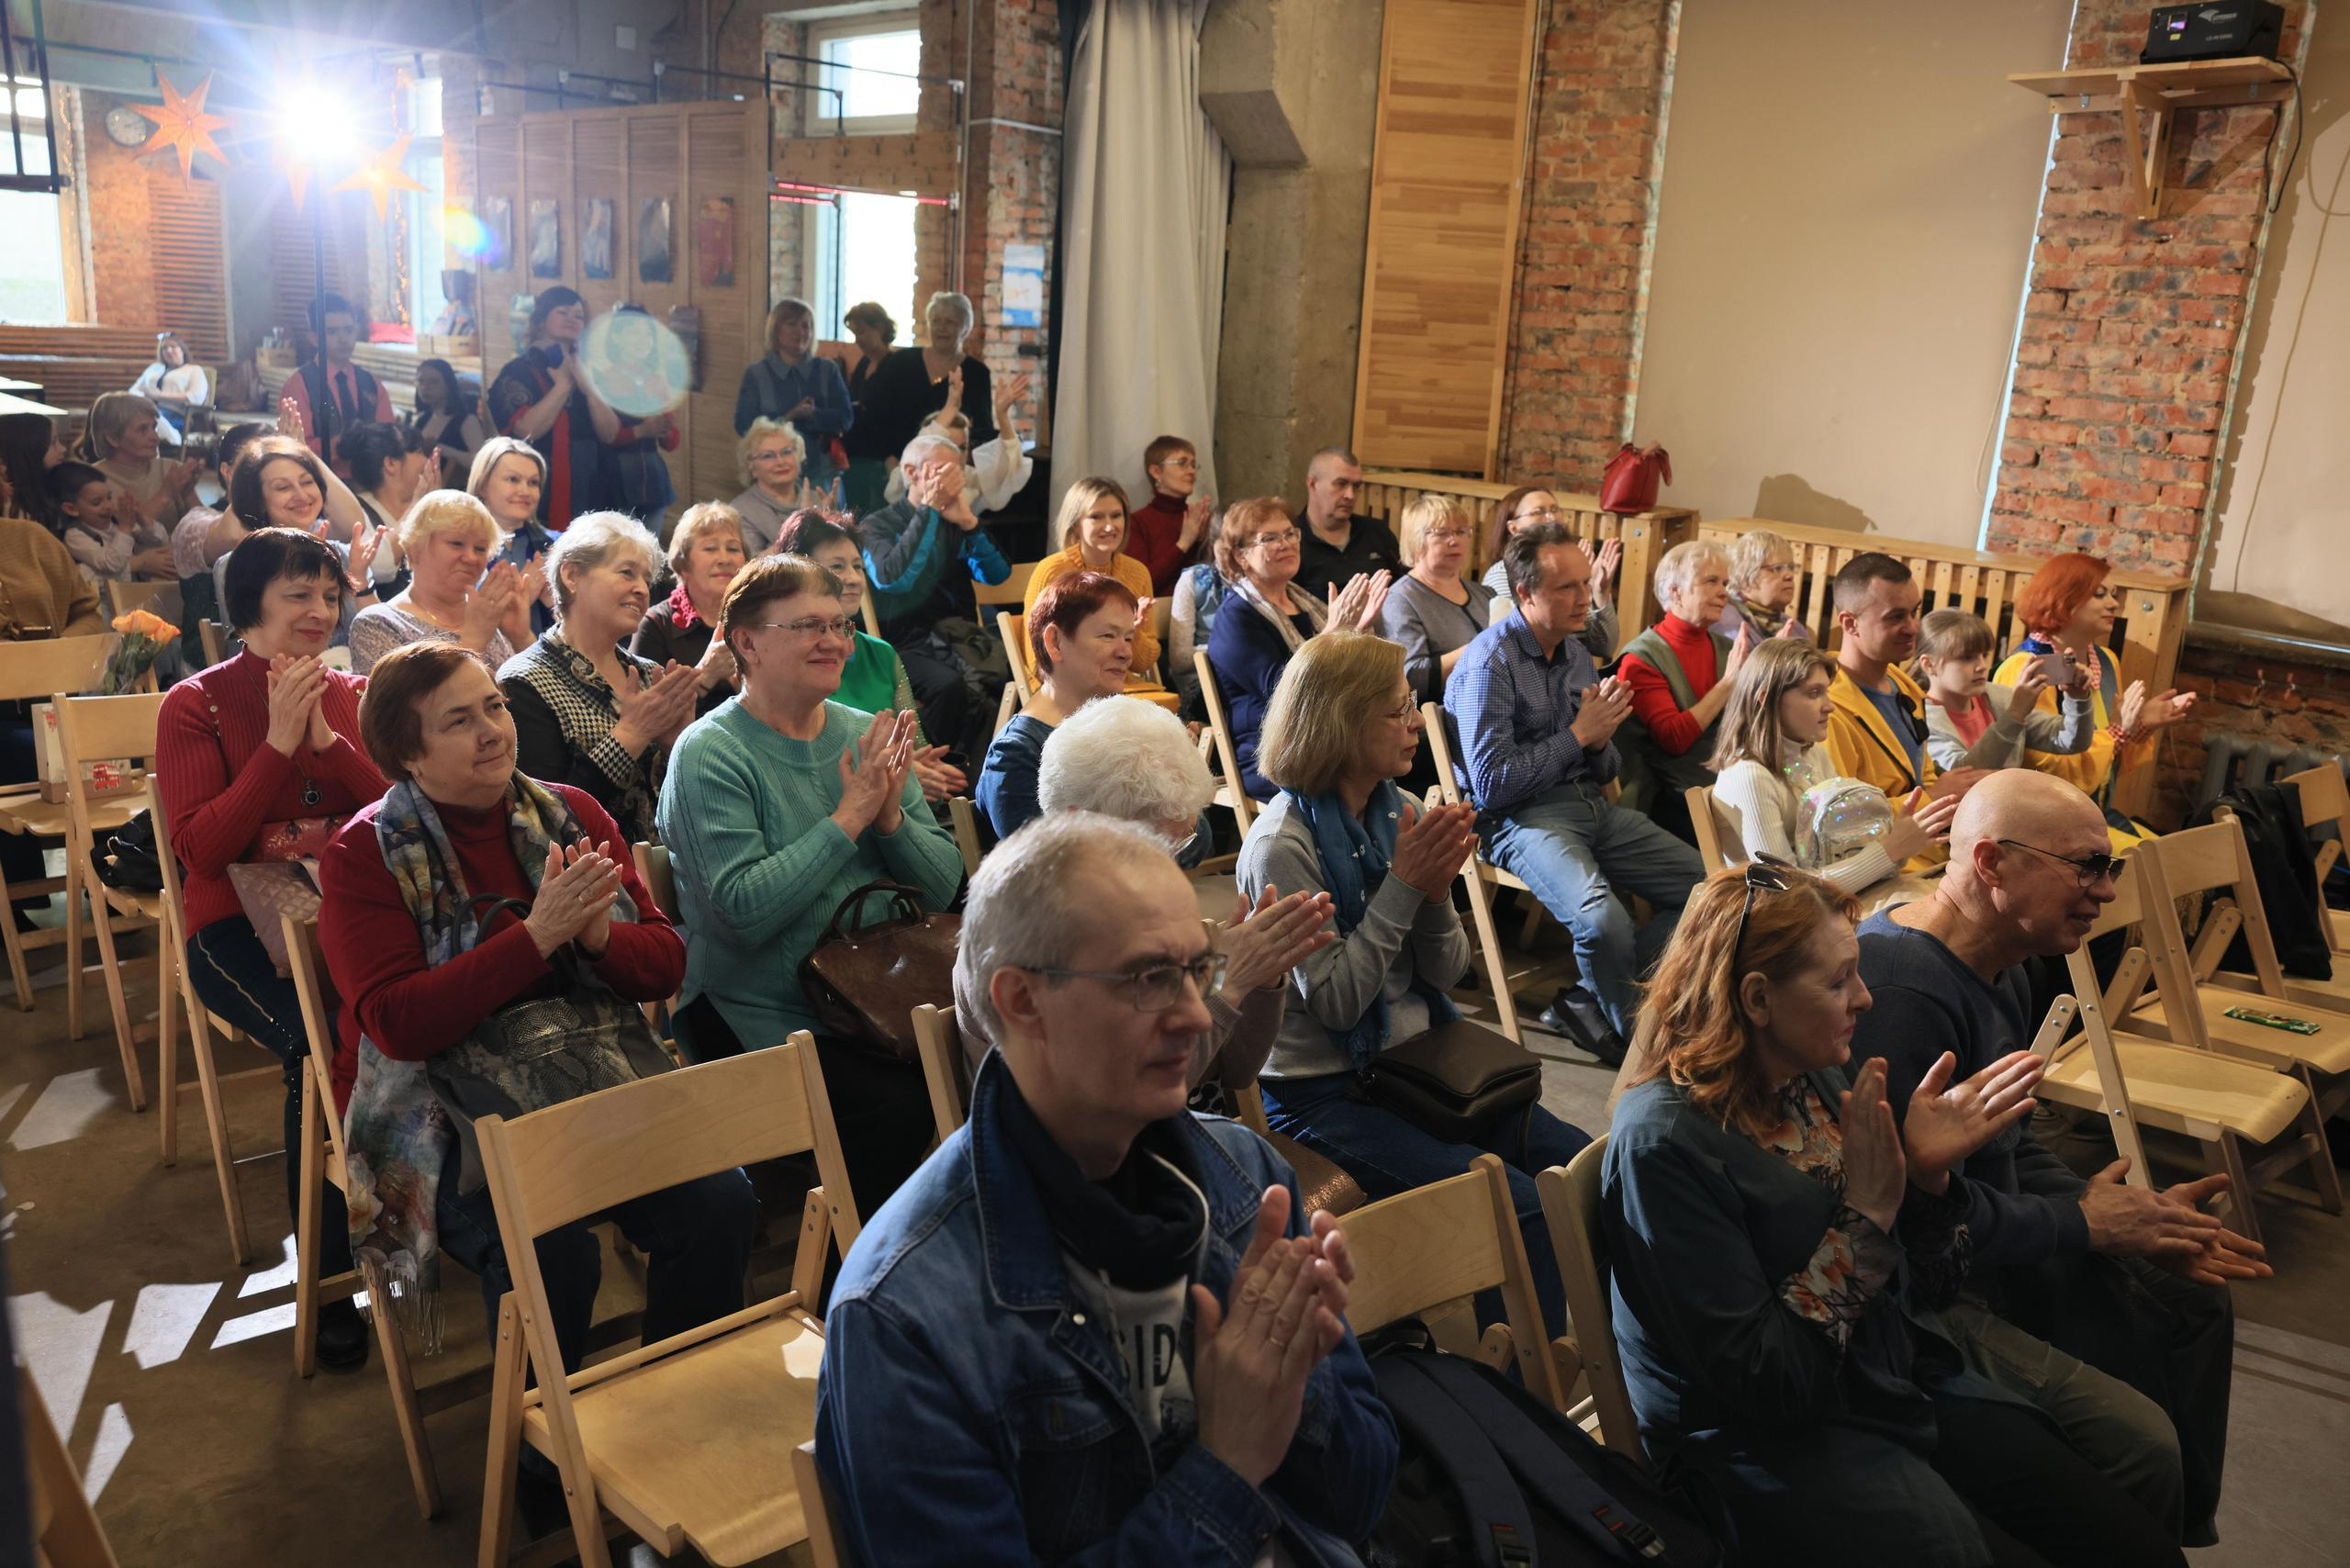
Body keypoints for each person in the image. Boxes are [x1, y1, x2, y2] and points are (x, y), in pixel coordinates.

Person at [813, 812, 1398, 1566]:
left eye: (1199, 970)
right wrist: (1226, 1466)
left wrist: (1294, 1385)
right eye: (1151, 978)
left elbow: (1363, 1498)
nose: (1195, 1015)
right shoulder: (905, 1315)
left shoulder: (1247, 1180)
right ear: (1022, 1001)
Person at [1608, 861, 2188, 1566]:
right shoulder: (1665, 1143)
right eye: (1837, 981)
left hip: (1885, 1377)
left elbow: (1931, 1289)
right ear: (1757, 999)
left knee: (2136, 1542)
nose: (1865, 999)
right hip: (1761, 1444)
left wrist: (1928, 1179)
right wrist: (1872, 1210)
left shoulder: (1817, 1073)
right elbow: (1769, 1385)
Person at [319, 642, 755, 1388]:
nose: (493, 729)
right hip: (437, 1108)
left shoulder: (568, 812)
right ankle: (539, 1462)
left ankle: (675, 1399)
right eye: (459, 721)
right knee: (551, 1250)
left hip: (584, 1068)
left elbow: (664, 959)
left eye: (494, 705)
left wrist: (597, 940)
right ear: (407, 755)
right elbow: (398, 1023)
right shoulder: (365, 852)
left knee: (721, 1203)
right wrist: (536, 939)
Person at [1850, 769, 2261, 1547]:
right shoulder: (1903, 995)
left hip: (1997, 1231)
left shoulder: (2009, 961)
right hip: (1933, 1287)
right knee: (2144, 1417)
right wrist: (2082, 1224)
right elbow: (1909, 1218)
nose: (2105, 891)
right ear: (1990, 863)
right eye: (2087, 866)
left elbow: (2010, 1139)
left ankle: (2164, 1536)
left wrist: (2115, 1211)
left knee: (2198, 1296)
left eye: (2110, 867)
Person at [1242, 630, 1590, 1334]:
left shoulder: (1395, 809)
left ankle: (1603, 1345)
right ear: (1342, 725)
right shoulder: (1285, 845)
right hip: (1325, 1092)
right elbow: (1338, 1005)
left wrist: (1434, 893)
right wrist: (1406, 887)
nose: (1415, 721)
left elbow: (1446, 971)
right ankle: (1523, 1374)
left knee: (1580, 1165)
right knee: (1516, 1208)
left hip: (1409, 1064)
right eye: (1397, 710)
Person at [657, 554, 963, 1208]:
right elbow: (742, 915)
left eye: (842, 625)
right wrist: (850, 816)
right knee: (902, 1107)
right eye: (809, 627)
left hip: (887, 994)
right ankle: (849, 1294)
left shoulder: (862, 733)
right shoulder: (711, 752)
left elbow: (940, 891)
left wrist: (890, 822)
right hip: (762, 1010)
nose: (834, 641)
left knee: (1017, 1056)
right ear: (747, 642)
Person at [156, 528, 386, 1369]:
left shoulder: (355, 693)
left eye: (329, 594)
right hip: (230, 928)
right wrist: (278, 747)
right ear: (248, 606)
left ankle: (425, 1227)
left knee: (422, 1015)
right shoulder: (199, 704)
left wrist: (331, 745)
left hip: (349, 915)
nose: (320, 611)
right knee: (316, 1049)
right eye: (299, 595)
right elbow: (202, 853)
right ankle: (325, 1282)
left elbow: (404, 816)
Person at [1445, 521, 1703, 1048]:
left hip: (1588, 806)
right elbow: (1492, 786)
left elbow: (1602, 770)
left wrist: (1600, 738)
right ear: (1524, 593)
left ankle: (1592, 999)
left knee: (1711, 891)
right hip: (1518, 821)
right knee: (1603, 923)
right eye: (1568, 588)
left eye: (1586, 584)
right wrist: (1577, 735)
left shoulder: (1576, 652)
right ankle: (1642, 1047)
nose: (1586, 598)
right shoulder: (1487, 662)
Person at [1036, 695, 1331, 1089]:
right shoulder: (1040, 945)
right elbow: (1137, 1096)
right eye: (1152, 844)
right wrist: (1228, 986)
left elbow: (1232, 1074)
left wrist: (1259, 979)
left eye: (1178, 843)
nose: (1166, 867)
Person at [498, 512, 699, 847]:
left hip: (670, 872)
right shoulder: (525, 680)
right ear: (572, 574)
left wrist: (678, 744)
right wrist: (631, 735)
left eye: (646, 579)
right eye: (627, 573)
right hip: (593, 882)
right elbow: (548, 820)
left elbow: (689, 803)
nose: (641, 589)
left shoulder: (651, 674)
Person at [1708, 639, 1956, 909]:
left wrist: (1898, 843)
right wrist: (1890, 850)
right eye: (1814, 693)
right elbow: (1785, 893)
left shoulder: (1812, 754)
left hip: (1833, 906)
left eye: (1826, 692)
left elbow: (1835, 856)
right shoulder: (1749, 775)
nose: (1830, 706)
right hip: (1787, 929)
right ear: (1766, 699)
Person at [1992, 553, 2195, 849]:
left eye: (2114, 594)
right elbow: (2046, 768)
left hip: (2094, 816)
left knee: (2175, 857)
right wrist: (2120, 732)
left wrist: (2140, 724)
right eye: (2099, 594)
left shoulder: (2106, 660)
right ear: (2063, 599)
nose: (2114, 604)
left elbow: (2108, 765)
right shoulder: (2028, 665)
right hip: (2042, 828)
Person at [773, 509, 965, 804]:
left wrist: (927, 768)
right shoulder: (789, 653)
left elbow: (913, 744)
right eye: (837, 566)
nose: (852, 579)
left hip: (894, 801)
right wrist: (901, 772)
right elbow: (808, 755)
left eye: (858, 566)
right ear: (800, 572)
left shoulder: (881, 652)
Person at [1205, 497, 1390, 801]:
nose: (1286, 543)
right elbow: (1283, 690)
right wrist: (1334, 633)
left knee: (1405, 750)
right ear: (1241, 555)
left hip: (1331, 733)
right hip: (1274, 750)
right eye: (1270, 538)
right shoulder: (1235, 617)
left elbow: (1350, 673)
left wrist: (1357, 632)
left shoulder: (1310, 600)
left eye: (1290, 533)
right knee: (1382, 762)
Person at [858, 433, 1012, 756]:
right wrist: (927, 509)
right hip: (907, 644)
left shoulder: (954, 519)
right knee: (950, 686)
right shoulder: (877, 524)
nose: (957, 478)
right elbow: (893, 578)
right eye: (945, 470)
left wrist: (969, 522)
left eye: (959, 470)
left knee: (1011, 672)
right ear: (913, 473)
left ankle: (986, 767)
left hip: (962, 639)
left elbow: (997, 575)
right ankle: (931, 769)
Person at [1822, 554, 1982, 861]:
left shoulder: (1903, 684)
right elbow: (1836, 820)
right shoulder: (1826, 707)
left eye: (1914, 612)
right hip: (1879, 866)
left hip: (1931, 853)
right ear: (1850, 623)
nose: (1912, 628)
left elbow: (1924, 777)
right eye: (1896, 617)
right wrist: (1933, 798)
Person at [979, 571, 1143, 842]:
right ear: (1055, 642)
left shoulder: (1120, 727)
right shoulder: (1016, 754)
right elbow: (1046, 871)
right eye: (1107, 635)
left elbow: (1196, 845)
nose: (1126, 653)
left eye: (1127, 638)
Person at [0, 507, 103, 924]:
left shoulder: (30, 536)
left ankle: (119, 876)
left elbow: (88, 612)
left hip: (52, 698)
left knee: (113, 747)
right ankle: (14, 904)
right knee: (28, 750)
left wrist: (54, 655)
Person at [1615, 539, 1747, 846]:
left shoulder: (1726, 649)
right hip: (1671, 798)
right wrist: (1728, 684)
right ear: (1676, 592)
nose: (1723, 592)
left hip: (1726, 785)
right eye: (1711, 581)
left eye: (1725, 583)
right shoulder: (1641, 658)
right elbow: (1674, 739)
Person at [488, 286, 650, 531]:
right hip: (536, 487)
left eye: (579, 315)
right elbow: (525, 430)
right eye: (562, 312)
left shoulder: (591, 371)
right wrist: (563, 386)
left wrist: (589, 389)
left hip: (591, 487)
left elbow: (610, 433)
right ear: (541, 320)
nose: (572, 319)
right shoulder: (517, 371)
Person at [213, 434, 385, 647]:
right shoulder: (234, 565)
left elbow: (379, 641)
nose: (301, 494)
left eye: (306, 482)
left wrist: (360, 581)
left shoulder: (345, 556)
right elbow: (251, 654)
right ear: (257, 500)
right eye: (283, 488)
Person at [1022, 478, 1174, 703]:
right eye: (1096, 516)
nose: (1110, 526)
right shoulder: (1052, 571)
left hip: (1120, 689)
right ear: (1076, 524)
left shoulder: (1137, 573)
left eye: (1116, 515)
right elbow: (1038, 660)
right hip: (1066, 689)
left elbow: (1143, 663)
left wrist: (1134, 631)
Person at [347, 490, 524, 677]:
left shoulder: (486, 618)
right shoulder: (378, 624)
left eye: (480, 548)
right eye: (457, 543)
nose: (472, 558)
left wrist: (520, 636)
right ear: (416, 548)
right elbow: (399, 704)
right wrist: (474, 639)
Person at [1917, 608, 2095, 774]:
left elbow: (2071, 741)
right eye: (1966, 658)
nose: (1981, 666)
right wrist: (2015, 714)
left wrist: (2077, 698)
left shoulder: (1998, 697)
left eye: (1984, 655)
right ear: (1929, 664)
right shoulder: (1920, 716)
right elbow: (1964, 774)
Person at [631, 500, 748, 719]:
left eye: (733, 548)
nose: (724, 559)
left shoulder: (756, 620)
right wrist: (705, 675)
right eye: (710, 548)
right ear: (683, 565)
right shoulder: (656, 624)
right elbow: (642, 716)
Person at [1480, 483, 1619, 660]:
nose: (1551, 517)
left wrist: (1600, 592)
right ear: (1513, 528)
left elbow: (1605, 647)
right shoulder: (1501, 573)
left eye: (1555, 510)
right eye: (1538, 512)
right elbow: (1527, 639)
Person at [1378, 493, 1492, 706]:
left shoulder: (1485, 594)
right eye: (1442, 533)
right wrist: (1481, 647)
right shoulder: (1401, 599)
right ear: (1416, 540)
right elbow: (1411, 677)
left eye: (1461, 532)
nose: (1454, 540)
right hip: (1437, 719)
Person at [856, 290, 996, 462]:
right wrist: (888, 458)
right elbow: (878, 416)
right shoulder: (900, 362)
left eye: (951, 322)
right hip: (895, 465)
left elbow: (982, 429)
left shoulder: (977, 373)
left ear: (965, 328)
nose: (942, 328)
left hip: (947, 466)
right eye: (936, 321)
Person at [733, 297, 853, 492]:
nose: (801, 332)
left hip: (822, 475)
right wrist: (788, 418)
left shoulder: (827, 370)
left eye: (806, 325)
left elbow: (846, 418)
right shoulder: (757, 374)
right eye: (792, 325)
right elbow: (743, 426)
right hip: (772, 476)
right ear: (776, 331)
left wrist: (815, 415)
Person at [280, 295, 394, 472]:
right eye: (332, 332)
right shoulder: (300, 384)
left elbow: (388, 434)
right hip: (322, 483)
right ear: (314, 338)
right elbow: (296, 446)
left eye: (348, 330)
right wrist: (340, 445)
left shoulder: (370, 382)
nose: (343, 339)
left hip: (371, 482)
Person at [467, 436, 556, 643]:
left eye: (533, 483)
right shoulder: (459, 546)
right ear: (482, 485)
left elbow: (581, 630)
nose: (525, 491)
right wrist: (515, 601)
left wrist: (557, 603)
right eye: (513, 480)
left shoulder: (556, 547)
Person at [73, 392, 199, 528]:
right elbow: (119, 536)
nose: (155, 437)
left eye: (154, 427)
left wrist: (189, 493)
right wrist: (165, 495)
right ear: (113, 438)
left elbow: (203, 529)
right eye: (143, 429)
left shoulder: (170, 469)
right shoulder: (93, 480)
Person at [340, 423, 431, 594]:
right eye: (419, 452)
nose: (427, 461)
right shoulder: (358, 512)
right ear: (390, 463)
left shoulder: (427, 510)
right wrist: (417, 506)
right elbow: (376, 566)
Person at [1293, 447, 1397, 594]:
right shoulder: (1292, 541)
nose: (1350, 495)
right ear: (1312, 484)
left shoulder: (1377, 532)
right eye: (1341, 484)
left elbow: (1402, 589)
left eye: (1356, 486)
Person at [47, 462, 172, 584]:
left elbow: (159, 542)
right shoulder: (75, 536)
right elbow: (112, 564)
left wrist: (142, 519)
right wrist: (125, 528)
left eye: (109, 497)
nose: (108, 506)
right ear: (72, 509)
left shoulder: (115, 522)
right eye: (96, 503)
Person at [830, 300, 900, 512]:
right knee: (854, 510)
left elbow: (892, 413)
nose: (858, 340)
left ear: (879, 328)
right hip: (856, 453)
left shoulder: (895, 364)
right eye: (854, 334)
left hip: (879, 455)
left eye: (862, 332)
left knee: (875, 513)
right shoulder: (863, 363)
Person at [1127, 434, 1214, 596]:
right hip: (1156, 614)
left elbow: (1209, 577)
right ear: (1156, 471)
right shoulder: (1136, 522)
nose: (1191, 471)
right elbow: (1142, 584)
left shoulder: (1197, 517)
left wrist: (1204, 542)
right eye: (1182, 463)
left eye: (1193, 464)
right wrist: (1184, 543)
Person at [1167, 509, 1231, 717]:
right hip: (1206, 684)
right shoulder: (1194, 580)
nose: (1236, 552)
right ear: (1215, 543)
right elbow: (1180, 658)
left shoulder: (1263, 581)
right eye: (1229, 542)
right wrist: (1238, 651)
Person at [728, 418, 822, 555]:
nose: (780, 461)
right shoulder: (740, 511)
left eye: (787, 452)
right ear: (751, 466)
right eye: (768, 456)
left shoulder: (817, 499)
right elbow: (752, 566)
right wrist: (800, 528)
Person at [1715, 526, 1813, 643]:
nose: (1789, 575)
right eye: (1777, 568)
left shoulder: (1795, 628)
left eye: (1791, 567)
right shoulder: (1728, 624)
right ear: (1745, 577)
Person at [405, 356, 486, 486]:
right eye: (421, 381)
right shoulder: (422, 420)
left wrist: (440, 449)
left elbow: (481, 460)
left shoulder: (467, 421)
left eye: (434, 382)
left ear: (448, 385)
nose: (425, 387)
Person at [128, 331, 210, 444]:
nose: (169, 351)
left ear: (182, 349)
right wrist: (145, 398)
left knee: (141, 425)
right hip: (145, 410)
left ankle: (171, 439)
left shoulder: (193, 370)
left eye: (173, 347)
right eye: (164, 348)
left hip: (176, 415)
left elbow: (195, 397)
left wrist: (159, 396)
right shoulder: (154, 368)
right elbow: (133, 391)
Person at [0, 411, 65, 534]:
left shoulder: (50, 492)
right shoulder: (10, 511)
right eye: (53, 442)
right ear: (30, 447)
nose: (63, 449)